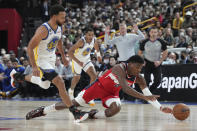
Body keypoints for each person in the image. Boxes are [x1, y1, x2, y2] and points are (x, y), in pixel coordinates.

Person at [25, 55, 172, 120]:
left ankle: (93, 115)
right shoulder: (119, 68)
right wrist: (144, 97)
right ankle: (43, 111)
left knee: (116, 108)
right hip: (96, 87)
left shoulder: (139, 77)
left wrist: (160, 108)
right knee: (72, 104)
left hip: (111, 93)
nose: (140, 70)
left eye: (141, 68)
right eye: (138, 67)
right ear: (131, 64)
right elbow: (126, 89)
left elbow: (148, 93)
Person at [10, 4, 88, 122]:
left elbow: (59, 40)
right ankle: (75, 112)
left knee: (45, 85)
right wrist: (34, 66)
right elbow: (30, 47)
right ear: (53, 16)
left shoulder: (60, 27)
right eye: (62, 17)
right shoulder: (43, 29)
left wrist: (63, 56)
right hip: (41, 60)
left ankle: (17, 76)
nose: (64, 19)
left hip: (51, 58)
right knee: (59, 82)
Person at [68, 27, 102, 105]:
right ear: (85, 35)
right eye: (89, 35)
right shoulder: (81, 42)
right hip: (77, 60)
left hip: (86, 59)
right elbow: (70, 52)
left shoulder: (94, 40)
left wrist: (99, 55)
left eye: (92, 35)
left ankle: (88, 96)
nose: (91, 37)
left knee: (93, 76)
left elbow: (96, 48)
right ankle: (71, 91)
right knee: (77, 78)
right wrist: (78, 61)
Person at [138, 27, 168, 93]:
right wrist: (142, 61)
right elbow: (140, 52)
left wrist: (160, 61)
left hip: (157, 63)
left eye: (155, 32)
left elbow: (165, 52)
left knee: (158, 81)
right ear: (149, 33)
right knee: (146, 81)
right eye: (152, 32)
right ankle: (146, 96)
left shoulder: (161, 42)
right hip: (147, 63)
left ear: (157, 33)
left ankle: (149, 93)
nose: (153, 34)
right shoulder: (144, 42)